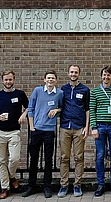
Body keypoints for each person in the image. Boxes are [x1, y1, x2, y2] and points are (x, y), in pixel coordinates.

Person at [22, 70, 64, 199]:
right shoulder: (37, 91)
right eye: (48, 78)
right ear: (44, 80)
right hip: (36, 130)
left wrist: (56, 109)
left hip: (49, 131)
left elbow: (63, 108)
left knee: (48, 160)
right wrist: (32, 127)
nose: (50, 80)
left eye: (53, 78)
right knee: (33, 159)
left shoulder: (59, 94)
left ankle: (47, 186)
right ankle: (31, 185)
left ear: (56, 80)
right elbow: (30, 108)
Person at [0, 70, 29, 199]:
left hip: (14, 131)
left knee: (14, 159)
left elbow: (29, 107)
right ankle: (5, 188)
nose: (8, 82)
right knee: (2, 161)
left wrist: (23, 114)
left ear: (14, 80)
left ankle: (11, 176)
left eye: (10, 79)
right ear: (2, 80)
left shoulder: (20, 94)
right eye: (6, 80)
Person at [89, 66, 111, 197]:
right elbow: (92, 110)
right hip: (100, 127)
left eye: (108, 75)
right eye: (104, 75)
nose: (106, 77)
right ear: (101, 76)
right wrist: (94, 127)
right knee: (100, 156)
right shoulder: (95, 91)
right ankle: (100, 184)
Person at [57, 65, 90, 198]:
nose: (73, 74)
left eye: (76, 72)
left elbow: (87, 109)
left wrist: (87, 127)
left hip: (79, 127)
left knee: (79, 157)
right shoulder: (62, 90)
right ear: (68, 73)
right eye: (71, 72)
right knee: (64, 157)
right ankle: (64, 185)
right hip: (65, 127)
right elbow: (59, 106)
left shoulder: (85, 90)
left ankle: (77, 185)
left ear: (79, 74)